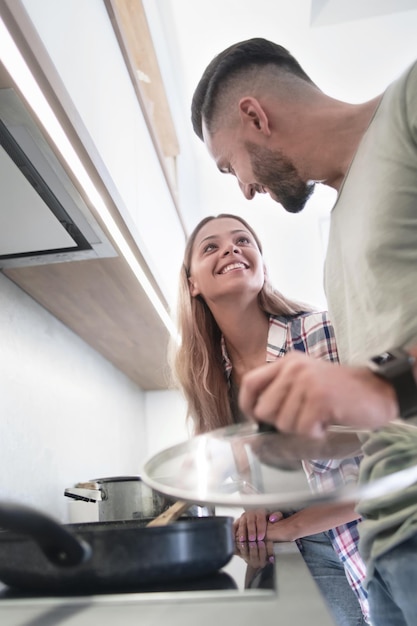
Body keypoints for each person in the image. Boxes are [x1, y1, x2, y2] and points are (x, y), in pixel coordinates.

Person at [191, 38, 417, 626]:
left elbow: (381, 395)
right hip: (388, 540)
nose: (241, 188)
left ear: (255, 116)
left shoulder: (410, 106)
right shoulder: (338, 231)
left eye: (228, 164)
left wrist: (379, 388)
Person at [172, 212, 369, 624]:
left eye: (243, 240)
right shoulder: (211, 386)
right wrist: (255, 518)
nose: (230, 248)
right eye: (211, 247)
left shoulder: (320, 333)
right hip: (290, 558)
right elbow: (254, 483)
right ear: (192, 283)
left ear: (261, 264)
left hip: (363, 539)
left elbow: (389, 459)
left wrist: (295, 526)